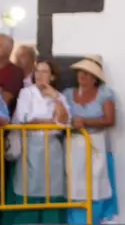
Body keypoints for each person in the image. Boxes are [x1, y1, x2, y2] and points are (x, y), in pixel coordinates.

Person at [3, 60, 69, 225]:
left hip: (52, 149)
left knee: (52, 189)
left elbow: (65, 122)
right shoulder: (27, 93)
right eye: (37, 71)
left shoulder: (59, 96)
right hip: (30, 148)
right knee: (28, 189)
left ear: (52, 76)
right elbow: (27, 120)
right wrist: (51, 122)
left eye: (44, 71)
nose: (39, 75)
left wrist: (55, 100)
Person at [63, 56, 119, 224]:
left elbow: (110, 120)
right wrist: (72, 123)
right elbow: (62, 117)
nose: (83, 75)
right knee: (74, 185)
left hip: (96, 146)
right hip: (74, 146)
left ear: (96, 77)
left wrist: (85, 121)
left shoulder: (104, 93)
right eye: (81, 71)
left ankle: (94, 219)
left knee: (96, 184)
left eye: (88, 73)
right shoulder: (67, 94)